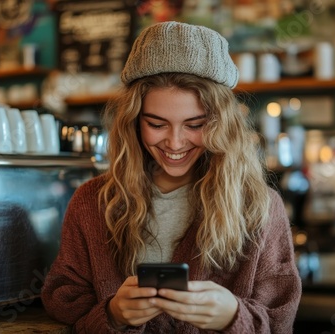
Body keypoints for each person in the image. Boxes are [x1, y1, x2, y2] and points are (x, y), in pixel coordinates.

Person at [41, 21, 302, 333]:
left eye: (194, 125)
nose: (175, 143)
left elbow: (279, 322)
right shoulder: (91, 202)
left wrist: (234, 316)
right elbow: (62, 298)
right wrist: (112, 313)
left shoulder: (259, 207)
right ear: (134, 122)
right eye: (157, 123)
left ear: (221, 124)